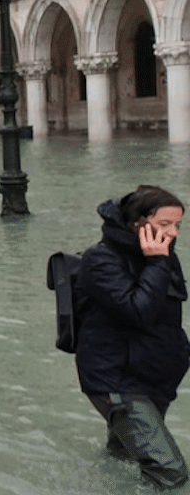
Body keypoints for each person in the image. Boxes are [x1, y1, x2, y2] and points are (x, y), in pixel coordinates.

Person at [75, 185, 189, 488]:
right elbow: (139, 312)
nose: (173, 233)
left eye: (177, 225)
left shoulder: (163, 256)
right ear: (136, 223)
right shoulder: (100, 261)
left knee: (122, 456)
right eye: (164, 225)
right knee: (170, 471)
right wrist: (157, 262)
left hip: (153, 378)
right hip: (116, 379)